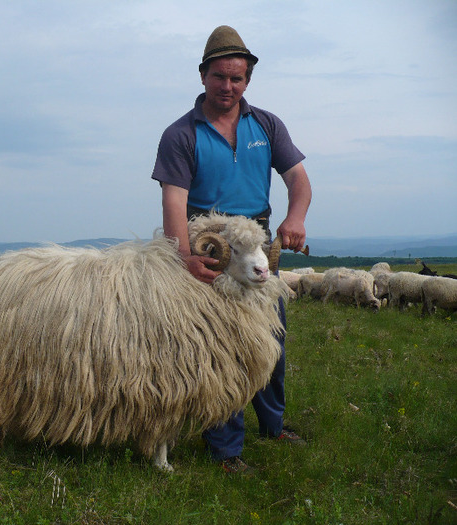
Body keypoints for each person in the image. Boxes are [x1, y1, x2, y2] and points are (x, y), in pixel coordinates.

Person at [151, 25, 312, 474]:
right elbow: (174, 201)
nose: (228, 87)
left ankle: (273, 425)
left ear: (248, 80)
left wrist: (294, 217)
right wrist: (186, 257)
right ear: (203, 76)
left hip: (256, 245)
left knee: (269, 341)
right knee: (219, 350)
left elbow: (297, 179)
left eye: (237, 78)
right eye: (220, 77)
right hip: (211, 248)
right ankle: (225, 448)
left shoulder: (266, 124)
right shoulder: (182, 133)